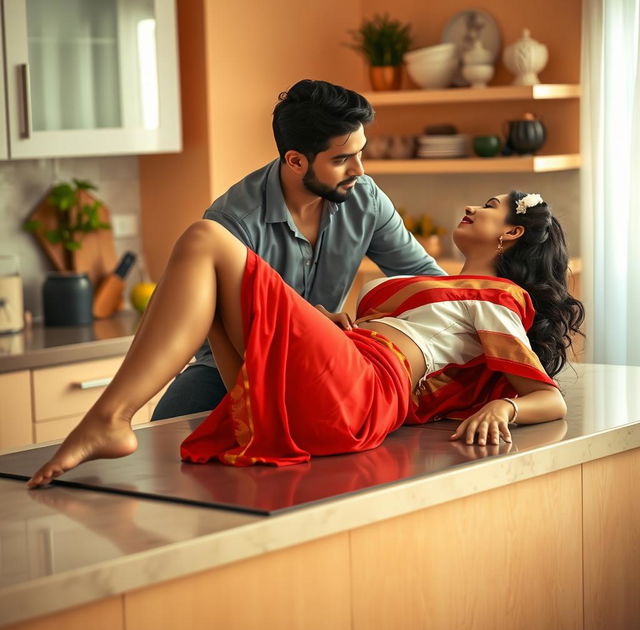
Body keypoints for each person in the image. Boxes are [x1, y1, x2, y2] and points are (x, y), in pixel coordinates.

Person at [27, 190, 583, 487]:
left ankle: (108, 419)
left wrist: (505, 410)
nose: (472, 207)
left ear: (512, 232)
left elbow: (548, 397)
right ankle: (112, 419)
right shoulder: (446, 287)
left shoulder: (497, 296)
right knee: (218, 283)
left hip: (364, 391)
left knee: (206, 238)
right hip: (352, 379)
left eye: (489, 207)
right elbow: (419, 347)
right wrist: (343, 329)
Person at [151, 79, 445, 421]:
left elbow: (427, 284)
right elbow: (227, 330)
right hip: (232, 370)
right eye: (342, 159)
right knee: (163, 434)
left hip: (326, 365)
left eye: (360, 153)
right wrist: (307, 323)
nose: (359, 170)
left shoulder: (366, 199)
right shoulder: (232, 222)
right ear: (295, 161)